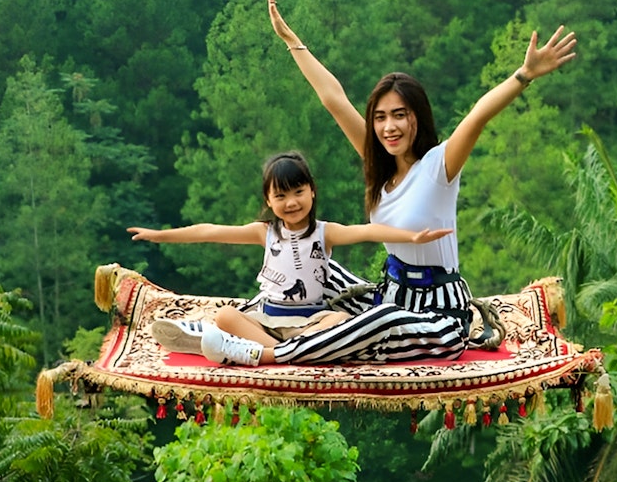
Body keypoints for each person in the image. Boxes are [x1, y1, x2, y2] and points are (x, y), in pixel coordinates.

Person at [180, 0, 575, 367]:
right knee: (308, 258)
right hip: (391, 293)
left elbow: (478, 115)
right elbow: (333, 100)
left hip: (438, 317)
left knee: (376, 322)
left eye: (400, 115)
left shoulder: (439, 166)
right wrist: (291, 41)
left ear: (417, 118)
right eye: (381, 117)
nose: (389, 127)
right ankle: (247, 324)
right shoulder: (378, 171)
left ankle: (264, 352)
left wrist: (524, 74)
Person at [132, 151, 451, 365]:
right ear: (269, 201)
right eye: (280, 196)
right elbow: (210, 231)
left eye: (298, 192)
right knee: (226, 315)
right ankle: (250, 347)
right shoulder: (264, 232)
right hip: (267, 321)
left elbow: (367, 231)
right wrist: (160, 235)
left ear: (312, 191)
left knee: (338, 321)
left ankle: (245, 351)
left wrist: (412, 237)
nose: (291, 202)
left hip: (309, 323)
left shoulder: (327, 232)